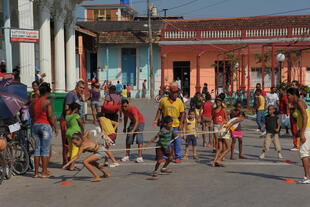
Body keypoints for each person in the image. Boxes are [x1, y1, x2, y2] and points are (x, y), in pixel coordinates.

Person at [31, 83, 57, 178]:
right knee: (45, 150)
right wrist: (54, 126)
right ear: (47, 92)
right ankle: (44, 172)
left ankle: (36, 173)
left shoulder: (34, 101)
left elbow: (31, 114)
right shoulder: (47, 102)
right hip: (45, 126)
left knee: (37, 149)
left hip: (35, 126)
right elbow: (50, 116)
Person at [153, 85, 185, 163]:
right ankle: (165, 156)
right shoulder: (163, 100)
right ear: (170, 92)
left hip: (176, 125)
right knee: (166, 142)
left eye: (177, 93)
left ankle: (178, 157)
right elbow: (159, 110)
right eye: (174, 92)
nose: (176, 94)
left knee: (177, 142)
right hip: (166, 126)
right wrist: (156, 120)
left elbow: (182, 114)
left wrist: (181, 125)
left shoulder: (179, 101)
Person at [287, 88, 310, 184]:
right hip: (306, 128)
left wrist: (302, 132)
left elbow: (305, 117)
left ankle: (307, 177)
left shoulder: (300, 103)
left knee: (304, 153)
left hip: (308, 129)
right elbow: (300, 117)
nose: (287, 97)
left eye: (288, 95)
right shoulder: (297, 104)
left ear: (294, 95)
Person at [60, 81, 85, 166]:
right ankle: (66, 162)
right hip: (68, 121)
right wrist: (70, 121)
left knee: (72, 144)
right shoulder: (71, 95)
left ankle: (69, 163)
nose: (82, 90)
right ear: (76, 86)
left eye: (83, 88)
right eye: (81, 87)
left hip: (74, 121)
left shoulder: (77, 95)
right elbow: (67, 107)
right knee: (67, 144)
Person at [66, 103, 84, 171]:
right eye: (78, 109)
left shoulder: (67, 116)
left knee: (70, 149)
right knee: (75, 150)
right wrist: (82, 132)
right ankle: (72, 166)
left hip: (68, 133)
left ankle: (69, 165)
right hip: (75, 133)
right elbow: (81, 124)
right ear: (76, 109)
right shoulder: (76, 115)